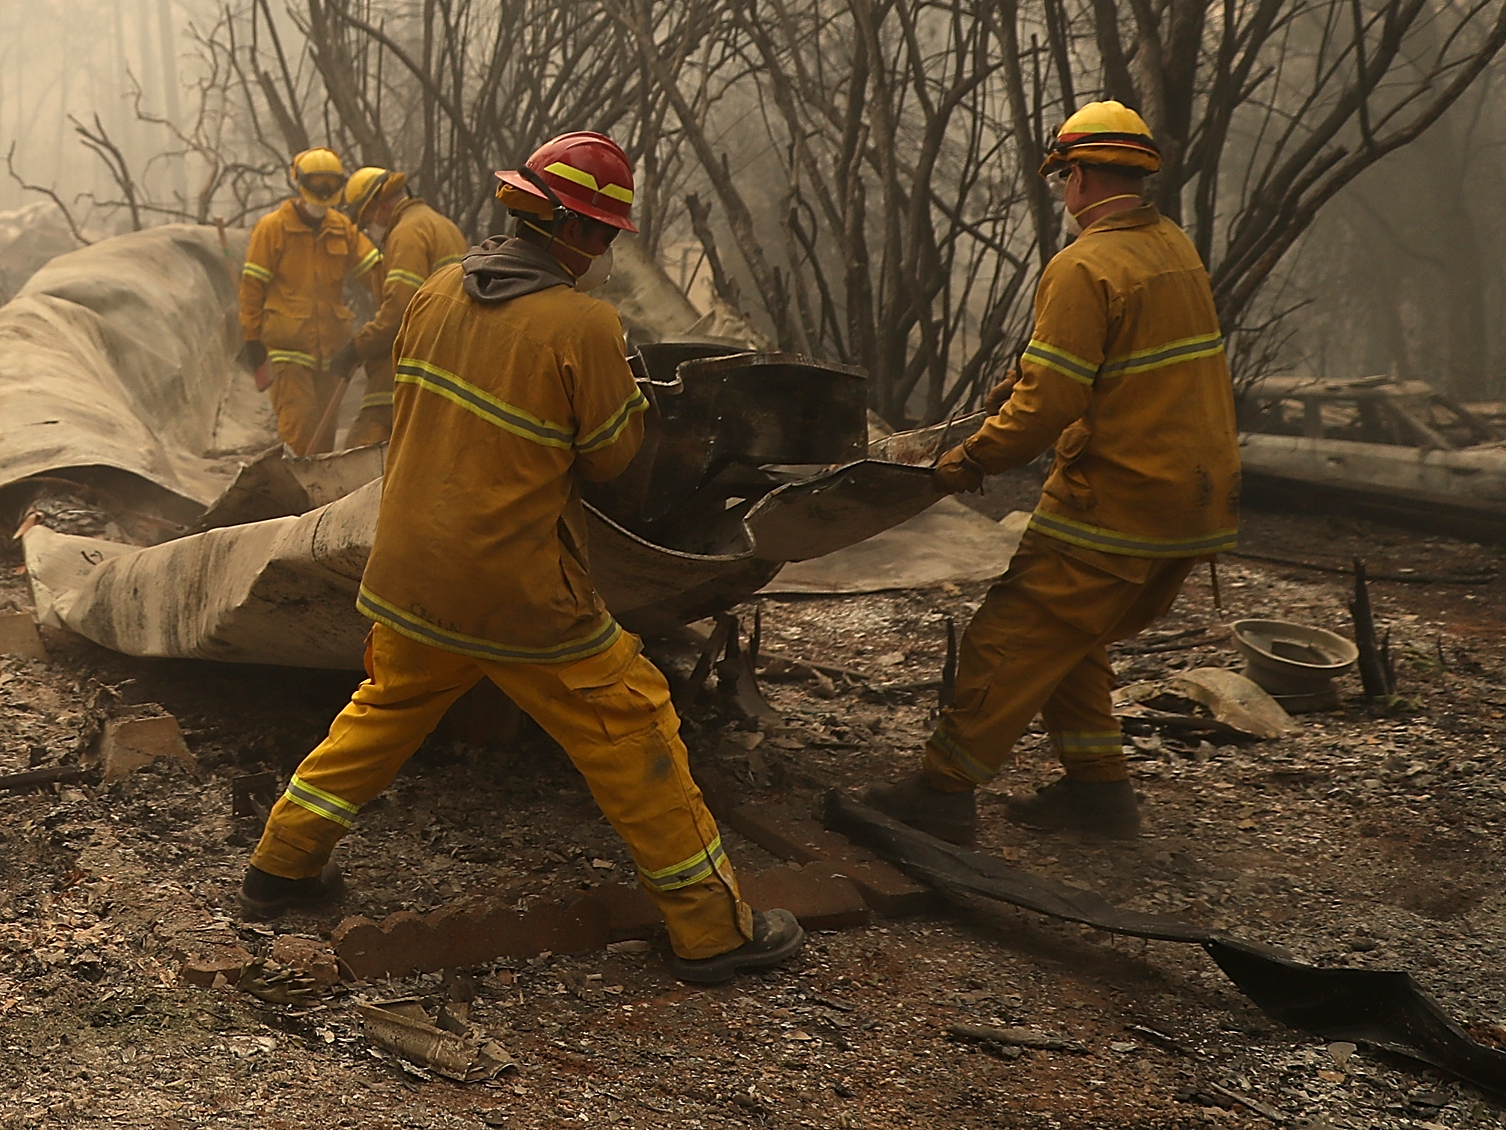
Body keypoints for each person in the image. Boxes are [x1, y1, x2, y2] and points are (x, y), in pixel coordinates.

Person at [240, 132, 807, 986]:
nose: (608, 252)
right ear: (577, 232)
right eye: (606, 235)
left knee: (384, 710)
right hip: (516, 587)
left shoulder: (434, 291)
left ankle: (279, 867)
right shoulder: (582, 323)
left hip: (405, 569)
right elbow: (616, 462)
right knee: (633, 721)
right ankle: (710, 929)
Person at [858, 102, 1239, 845]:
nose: (1065, 191)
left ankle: (940, 793)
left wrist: (963, 463)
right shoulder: (1173, 249)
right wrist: (1029, 382)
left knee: (1011, 633)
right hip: (1194, 501)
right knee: (1075, 636)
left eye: (1064, 176)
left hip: (1117, 500)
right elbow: (1099, 371)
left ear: (1080, 175)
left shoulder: (1084, 264)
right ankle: (1099, 794)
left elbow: (1049, 408)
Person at [239, 148, 375, 455]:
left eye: (331, 183)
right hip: (289, 350)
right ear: (300, 182)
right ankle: (299, 501)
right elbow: (252, 287)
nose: (324, 191)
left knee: (325, 439)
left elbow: (375, 272)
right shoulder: (272, 229)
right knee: (300, 430)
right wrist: (251, 338)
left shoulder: (342, 229)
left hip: (331, 351)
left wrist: (401, 295)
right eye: (318, 182)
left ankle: (317, 496)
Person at [333, 167, 469, 448]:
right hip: (450, 357)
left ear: (380, 206)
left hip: (414, 358)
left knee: (363, 444)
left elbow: (399, 311)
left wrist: (358, 347)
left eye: (367, 218)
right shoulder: (442, 225)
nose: (369, 227)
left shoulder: (406, 233)